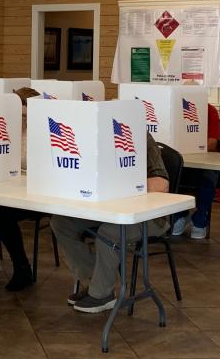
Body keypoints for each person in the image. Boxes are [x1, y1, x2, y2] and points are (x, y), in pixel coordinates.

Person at [53, 134, 171, 313]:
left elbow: (161, 185)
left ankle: (101, 294)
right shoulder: (93, 135)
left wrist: (119, 182)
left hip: (149, 214)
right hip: (108, 209)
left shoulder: (140, 136)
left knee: (110, 232)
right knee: (61, 223)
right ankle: (96, 282)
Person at [0, 87, 36, 291]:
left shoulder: (41, 134)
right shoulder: (7, 129)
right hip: (11, 189)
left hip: (34, 194)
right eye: (18, 115)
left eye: (24, 115)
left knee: (0, 215)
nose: (21, 119)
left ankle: (22, 268)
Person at [173, 101, 220, 239]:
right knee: (172, 175)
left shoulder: (210, 110)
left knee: (207, 178)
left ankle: (200, 220)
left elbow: (212, 143)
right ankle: (178, 216)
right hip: (184, 163)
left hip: (205, 163)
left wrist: (188, 144)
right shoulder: (176, 109)